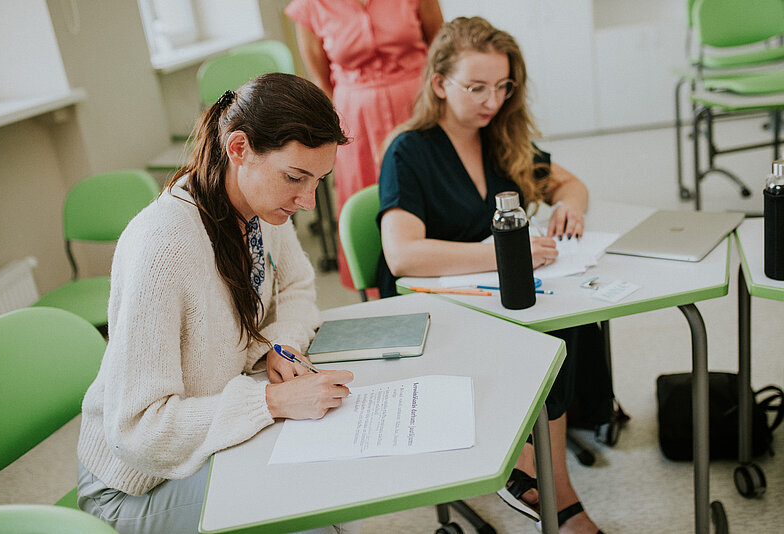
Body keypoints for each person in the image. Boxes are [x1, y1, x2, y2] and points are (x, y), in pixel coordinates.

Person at [76, 73, 360, 534]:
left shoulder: (264, 207)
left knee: (333, 479)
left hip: (210, 440)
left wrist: (280, 346)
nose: (307, 201)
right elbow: (138, 430)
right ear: (239, 148)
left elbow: (298, 288)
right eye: (295, 177)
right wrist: (269, 401)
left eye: (318, 181)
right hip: (136, 486)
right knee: (311, 504)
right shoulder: (164, 244)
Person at [377, 17, 609, 533]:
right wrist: (507, 253)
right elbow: (402, 255)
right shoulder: (409, 151)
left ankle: (540, 462)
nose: (492, 101)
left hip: (496, 296)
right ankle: (557, 493)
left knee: (564, 317)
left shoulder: (500, 136)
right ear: (439, 84)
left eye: (503, 87)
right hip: (437, 306)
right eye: (477, 87)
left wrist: (569, 206)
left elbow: (570, 184)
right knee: (554, 327)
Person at [285, 0, 444, 290]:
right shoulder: (310, 5)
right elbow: (322, 81)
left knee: (431, 190)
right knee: (366, 200)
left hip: (419, 106)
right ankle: (378, 288)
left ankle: (444, 271)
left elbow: (440, 49)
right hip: (356, 118)